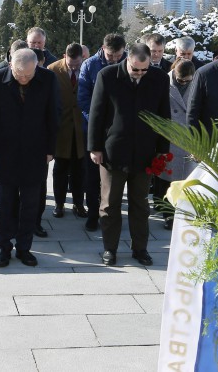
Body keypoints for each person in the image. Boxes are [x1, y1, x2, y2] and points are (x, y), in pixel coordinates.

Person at [88, 43, 170, 266]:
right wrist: (94, 148)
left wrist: (163, 150)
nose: (140, 74)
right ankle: (110, 249)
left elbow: (165, 116)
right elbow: (96, 113)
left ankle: (140, 248)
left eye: (145, 70)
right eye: (136, 69)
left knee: (140, 204)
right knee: (110, 204)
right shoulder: (107, 76)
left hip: (145, 153)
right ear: (127, 60)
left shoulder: (159, 78)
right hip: (113, 152)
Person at [0, 48, 59, 268]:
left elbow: (53, 114)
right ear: (10, 66)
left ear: (37, 66)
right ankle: (3, 248)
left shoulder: (47, 78)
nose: (24, 78)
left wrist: (50, 149)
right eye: (19, 74)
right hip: (5, 152)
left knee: (30, 204)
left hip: (35, 152)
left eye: (29, 74)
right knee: (4, 204)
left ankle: (24, 248)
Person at [76, 33, 126, 232]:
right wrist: (99, 122)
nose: (114, 59)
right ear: (103, 48)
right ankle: (92, 213)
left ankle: (112, 213)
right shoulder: (90, 65)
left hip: (120, 130)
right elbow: (83, 99)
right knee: (92, 176)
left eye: (118, 55)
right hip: (95, 129)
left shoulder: (129, 64)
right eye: (111, 55)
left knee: (117, 176)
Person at [155, 59, 196, 230]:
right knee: (169, 179)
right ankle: (169, 215)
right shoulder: (163, 81)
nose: (184, 83)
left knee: (187, 179)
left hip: (189, 137)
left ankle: (185, 213)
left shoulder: (197, 81)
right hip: (170, 136)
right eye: (181, 80)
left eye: (188, 80)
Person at [47, 42, 87, 219]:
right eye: (70, 64)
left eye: (76, 64)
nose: (73, 67)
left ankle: (79, 204)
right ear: (65, 56)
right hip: (61, 127)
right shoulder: (53, 69)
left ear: (82, 58)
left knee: (80, 169)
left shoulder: (87, 68)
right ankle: (59, 204)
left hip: (81, 128)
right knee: (60, 169)